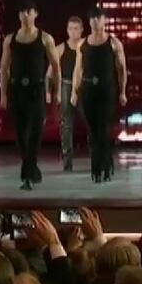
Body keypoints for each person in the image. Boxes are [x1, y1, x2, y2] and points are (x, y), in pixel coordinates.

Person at [0, 0, 61, 191]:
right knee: (20, 134)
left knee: (35, 132)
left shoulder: (45, 38)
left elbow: (56, 68)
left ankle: (27, 175)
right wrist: (3, 93)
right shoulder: (10, 39)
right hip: (17, 91)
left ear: (35, 14)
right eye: (22, 12)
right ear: (19, 16)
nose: (26, 15)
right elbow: (4, 68)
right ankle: (32, 170)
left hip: (37, 90)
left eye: (29, 11)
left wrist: (55, 92)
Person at [71, 7, 127, 183]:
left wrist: (123, 91)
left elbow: (122, 69)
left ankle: (104, 167)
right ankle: (97, 168)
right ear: (89, 22)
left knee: (103, 129)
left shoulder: (114, 43)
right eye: (93, 18)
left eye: (99, 18)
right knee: (92, 131)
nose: (96, 21)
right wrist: (74, 91)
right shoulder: (83, 44)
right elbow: (78, 69)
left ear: (104, 20)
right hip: (88, 90)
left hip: (107, 89)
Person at [46, 16, 84, 172]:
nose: (73, 32)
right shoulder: (60, 48)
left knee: (92, 123)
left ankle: (98, 158)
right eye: (70, 29)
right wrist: (49, 92)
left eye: (76, 28)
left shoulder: (87, 46)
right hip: (66, 86)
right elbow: (49, 73)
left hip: (84, 86)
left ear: (81, 30)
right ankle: (67, 162)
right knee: (66, 125)